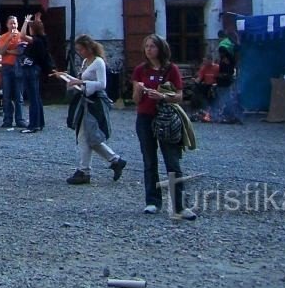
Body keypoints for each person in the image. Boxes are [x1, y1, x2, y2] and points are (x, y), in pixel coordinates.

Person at [133, 33, 196, 220]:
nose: (149, 50)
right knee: (149, 160)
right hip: (145, 117)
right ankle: (152, 201)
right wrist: (139, 90)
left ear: (160, 48)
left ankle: (179, 205)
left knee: (172, 161)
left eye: (152, 46)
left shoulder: (171, 69)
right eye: (146, 47)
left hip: (166, 118)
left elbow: (179, 95)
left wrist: (162, 96)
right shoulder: (140, 70)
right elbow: (136, 100)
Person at [64, 34, 127, 184]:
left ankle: (84, 171)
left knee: (86, 135)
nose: (80, 52)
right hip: (84, 100)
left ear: (88, 48)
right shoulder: (86, 61)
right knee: (87, 137)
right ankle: (114, 160)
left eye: (81, 49)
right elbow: (83, 79)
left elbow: (102, 84)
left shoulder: (98, 62)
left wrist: (81, 82)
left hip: (94, 102)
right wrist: (71, 80)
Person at [19, 15, 55, 133]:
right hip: (35, 69)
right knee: (36, 97)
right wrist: (37, 19)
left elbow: (22, 35)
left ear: (33, 29)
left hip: (31, 70)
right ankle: (39, 122)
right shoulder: (42, 39)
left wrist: (26, 21)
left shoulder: (37, 40)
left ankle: (33, 125)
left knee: (33, 98)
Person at [0, 15, 28, 131]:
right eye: (11, 23)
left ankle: (20, 119)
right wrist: (9, 40)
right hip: (6, 67)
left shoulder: (21, 36)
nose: (13, 25)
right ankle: (7, 120)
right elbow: (1, 51)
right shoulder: (3, 37)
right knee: (6, 95)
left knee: (19, 95)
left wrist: (9, 51)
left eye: (15, 23)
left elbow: (22, 51)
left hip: (18, 67)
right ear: (7, 25)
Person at [191, 51, 220, 116]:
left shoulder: (217, 67)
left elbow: (220, 78)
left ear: (210, 60)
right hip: (206, 86)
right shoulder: (204, 68)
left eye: (205, 60)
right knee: (196, 89)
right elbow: (199, 78)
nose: (204, 62)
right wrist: (195, 81)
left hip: (215, 85)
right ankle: (199, 108)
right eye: (204, 60)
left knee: (213, 90)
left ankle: (213, 109)